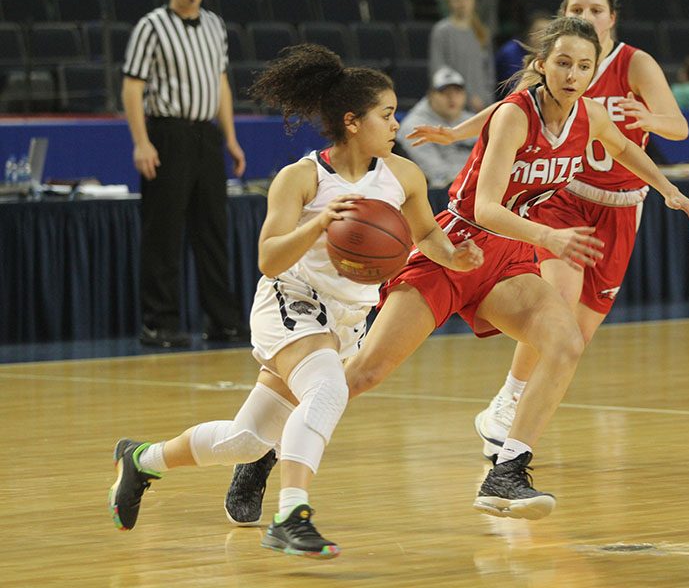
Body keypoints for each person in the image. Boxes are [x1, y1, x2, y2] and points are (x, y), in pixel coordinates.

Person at [226, 15, 689, 525]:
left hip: (508, 259)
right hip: (452, 245)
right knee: (360, 376)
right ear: (542, 67)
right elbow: (487, 209)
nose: (573, 73)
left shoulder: (589, 116)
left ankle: (509, 470)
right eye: (563, 63)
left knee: (565, 341)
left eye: (584, 66)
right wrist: (547, 236)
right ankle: (263, 453)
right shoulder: (517, 115)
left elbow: (625, 148)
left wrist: (669, 190)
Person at [108, 44, 484, 558]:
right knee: (328, 391)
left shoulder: (404, 176)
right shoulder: (301, 178)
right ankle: (292, 514)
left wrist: (454, 257)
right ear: (352, 122)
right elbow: (268, 258)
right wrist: (320, 224)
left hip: (350, 316)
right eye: (387, 114)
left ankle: (141, 460)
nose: (396, 124)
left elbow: (425, 235)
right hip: (292, 300)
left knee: (248, 441)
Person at [407, 0, 689, 460]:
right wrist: (458, 131)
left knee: (576, 337)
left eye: (595, 10)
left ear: (611, 18)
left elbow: (675, 127)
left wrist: (652, 125)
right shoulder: (560, 58)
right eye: (577, 9)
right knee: (556, 305)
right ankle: (508, 403)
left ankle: (514, 418)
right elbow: (514, 104)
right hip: (565, 195)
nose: (585, 15)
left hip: (622, 204)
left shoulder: (633, 63)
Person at [122, 0, 248, 348]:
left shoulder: (215, 25)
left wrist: (231, 138)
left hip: (205, 135)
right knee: (163, 231)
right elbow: (132, 86)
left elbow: (221, 83)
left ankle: (223, 320)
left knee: (213, 230)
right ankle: (158, 322)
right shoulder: (151, 26)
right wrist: (141, 141)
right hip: (167, 131)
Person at [397, 67, 476, 193]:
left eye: (457, 92)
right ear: (431, 95)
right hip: (439, 195)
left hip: (472, 185)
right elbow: (438, 175)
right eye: (445, 93)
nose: (452, 98)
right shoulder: (414, 126)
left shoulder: (471, 120)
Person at [430, 0, 496, 111]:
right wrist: (467, 97)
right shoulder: (441, 31)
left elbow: (489, 71)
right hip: (455, 104)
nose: (462, 3)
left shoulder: (481, 31)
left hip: (482, 103)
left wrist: (486, 98)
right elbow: (438, 69)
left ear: (473, 1)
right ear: (448, 2)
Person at [495, 11, 553, 98]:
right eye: (539, 31)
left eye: (547, 32)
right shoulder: (510, 52)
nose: (543, 36)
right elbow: (514, 89)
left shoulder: (549, 55)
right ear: (529, 33)